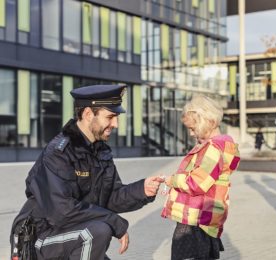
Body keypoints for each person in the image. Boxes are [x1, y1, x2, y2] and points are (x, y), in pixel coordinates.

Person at [10, 85, 164, 260]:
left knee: (96, 231)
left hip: (71, 233)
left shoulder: (100, 152)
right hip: (39, 237)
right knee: (97, 232)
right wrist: (115, 222)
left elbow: (110, 198)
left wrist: (142, 190)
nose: (115, 124)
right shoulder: (58, 153)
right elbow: (62, 211)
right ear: (88, 114)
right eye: (110, 117)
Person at [161, 94, 240, 260]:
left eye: (192, 128)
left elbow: (196, 183)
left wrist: (170, 180)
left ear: (209, 122)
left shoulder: (213, 149)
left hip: (196, 220)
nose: (191, 134)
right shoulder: (219, 146)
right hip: (203, 219)